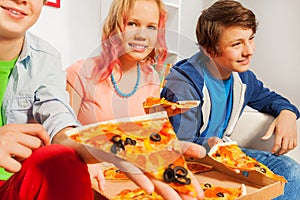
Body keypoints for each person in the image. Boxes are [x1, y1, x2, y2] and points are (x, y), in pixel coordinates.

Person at [161, 0, 300, 199]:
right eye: (237, 44)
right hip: (193, 162)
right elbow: (182, 146)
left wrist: (288, 112)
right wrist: (212, 145)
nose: (249, 50)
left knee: (290, 172)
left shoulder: (242, 78)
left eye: (250, 39)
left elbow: (270, 99)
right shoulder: (184, 85)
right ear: (209, 50)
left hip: (222, 152)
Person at [66, 0, 205, 199]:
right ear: (115, 26)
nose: (142, 35)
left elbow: (144, 142)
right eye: (132, 23)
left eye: (151, 27)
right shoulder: (80, 72)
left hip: (136, 182)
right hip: (88, 178)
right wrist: (84, 161)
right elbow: (61, 137)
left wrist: (159, 118)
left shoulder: (153, 77)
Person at [0, 0, 94, 199]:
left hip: (16, 184)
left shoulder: (46, 59)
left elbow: (58, 117)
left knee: (62, 158)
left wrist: (96, 148)